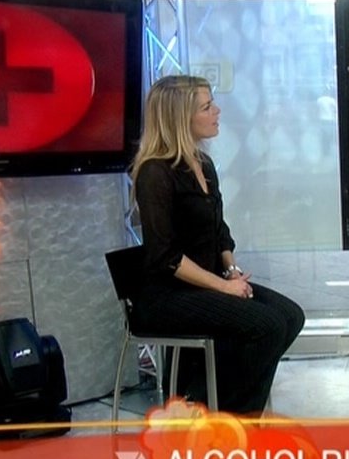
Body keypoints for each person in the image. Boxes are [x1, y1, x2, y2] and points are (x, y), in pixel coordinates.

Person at [129, 74, 305, 415]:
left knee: (290, 316)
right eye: (207, 107)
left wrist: (231, 270)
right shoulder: (155, 173)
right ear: (181, 118)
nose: (217, 111)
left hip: (208, 284)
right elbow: (167, 257)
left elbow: (219, 230)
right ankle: (215, 412)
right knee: (266, 326)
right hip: (168, 294)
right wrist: (224, 288)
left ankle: (238, 414)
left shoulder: (204, 164)